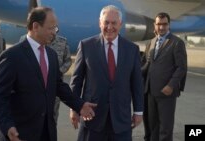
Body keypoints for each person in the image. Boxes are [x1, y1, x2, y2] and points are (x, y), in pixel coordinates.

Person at [0, 6, 96, 141]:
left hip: (46, 131)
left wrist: (79, 105)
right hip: (19, 133)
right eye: (51, 28)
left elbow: (58, 85)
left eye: (55, 28)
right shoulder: (12, 56)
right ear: (35, 26)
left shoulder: (51, 55)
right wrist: (7, 126)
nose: (54, 32)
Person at [70, 5, 144, 141]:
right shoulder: (86, 46)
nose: (110, 27)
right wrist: (75, 107)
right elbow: (77, 80)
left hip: (121, 120)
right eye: (106, 22)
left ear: (120, 24)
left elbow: (137, 83)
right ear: (100, 23)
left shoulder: (132, 49)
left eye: (114, 23)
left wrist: (138, 111)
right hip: (92, 118)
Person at [142, 12, 187, 141]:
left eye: (165, 24)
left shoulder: (177, 43)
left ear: (169, 25)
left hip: (167, 92)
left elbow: (181, 68)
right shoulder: (150, 42)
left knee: (165, 129)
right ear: (154, 25)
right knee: (152, 127)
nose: (162, 27)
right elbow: (147, 65)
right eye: (159, 24)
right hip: (150, 91)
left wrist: (171, 85)